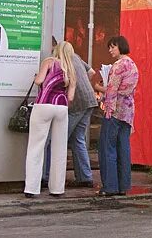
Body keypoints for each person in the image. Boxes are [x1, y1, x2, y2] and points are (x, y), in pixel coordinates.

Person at [24, 41, 77, 198]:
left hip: (44, 105)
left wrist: (36, 77)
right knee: (60, 149)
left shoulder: (49, 62)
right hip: (61, 108)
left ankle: (32, 188)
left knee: (36, 147)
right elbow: (71, 96)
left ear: (57, 50)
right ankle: (57, 189)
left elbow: (39, 81)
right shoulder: (71, 70)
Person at [42, 45, 99, 188]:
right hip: (90, 101)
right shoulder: (76, 57)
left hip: (76, 104)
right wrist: (82, 81)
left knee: (56, 140)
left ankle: (47, 177)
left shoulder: (58, 61)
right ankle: (85, 177)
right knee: (77, 139)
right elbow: (92, 72)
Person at [93, 36, 138, 196]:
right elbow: (127, 90)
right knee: (123, 148)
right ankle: (123, 186)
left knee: (108, 148)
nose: (110, 50)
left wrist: (99, 88)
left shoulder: (118, 65)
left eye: (113, 47)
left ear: (120, 47)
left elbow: (112, 90)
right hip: (128, 112)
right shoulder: (133, 64)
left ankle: (110, 186)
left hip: (115, 111)